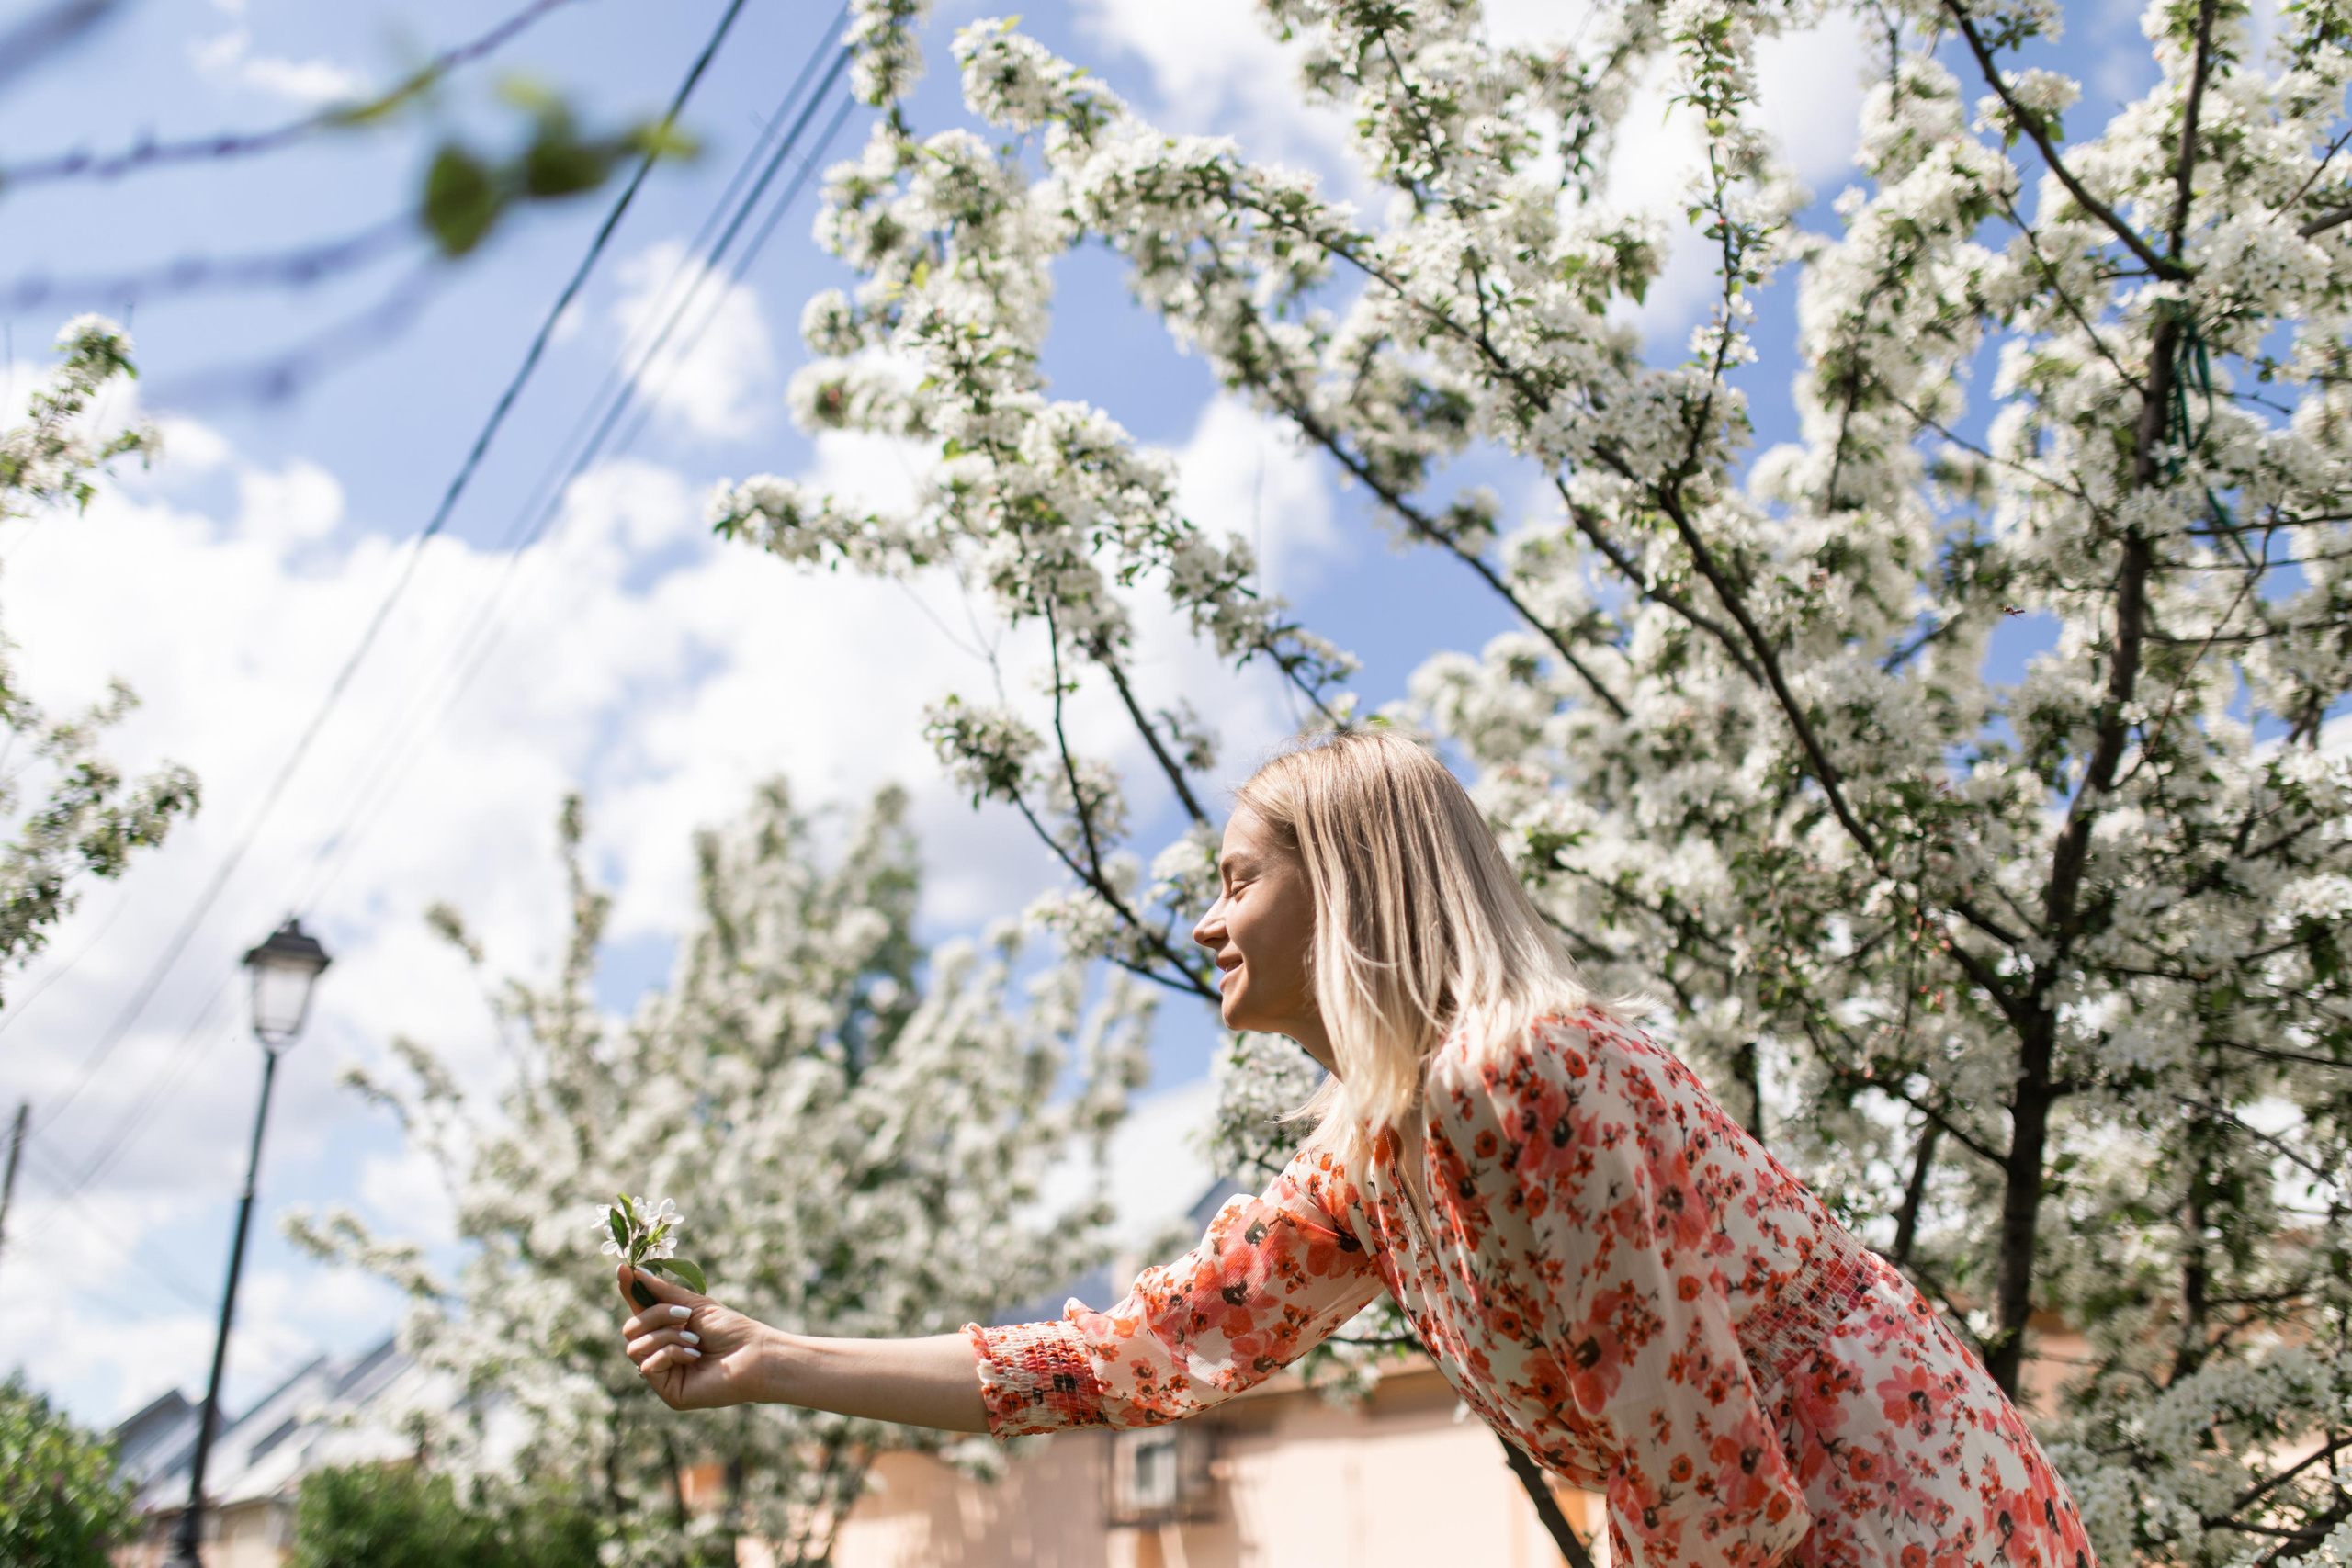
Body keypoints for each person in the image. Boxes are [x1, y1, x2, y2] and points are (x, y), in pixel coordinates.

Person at [613, 730, 2097, 1568]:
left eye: (1239, 877)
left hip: (1895, 1527)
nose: (1204, 921)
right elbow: (1128, 1362)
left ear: (1357, 882)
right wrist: (775, 1357)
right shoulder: (1375, 1155)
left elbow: (1713, 1482)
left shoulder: (1525, 1074)